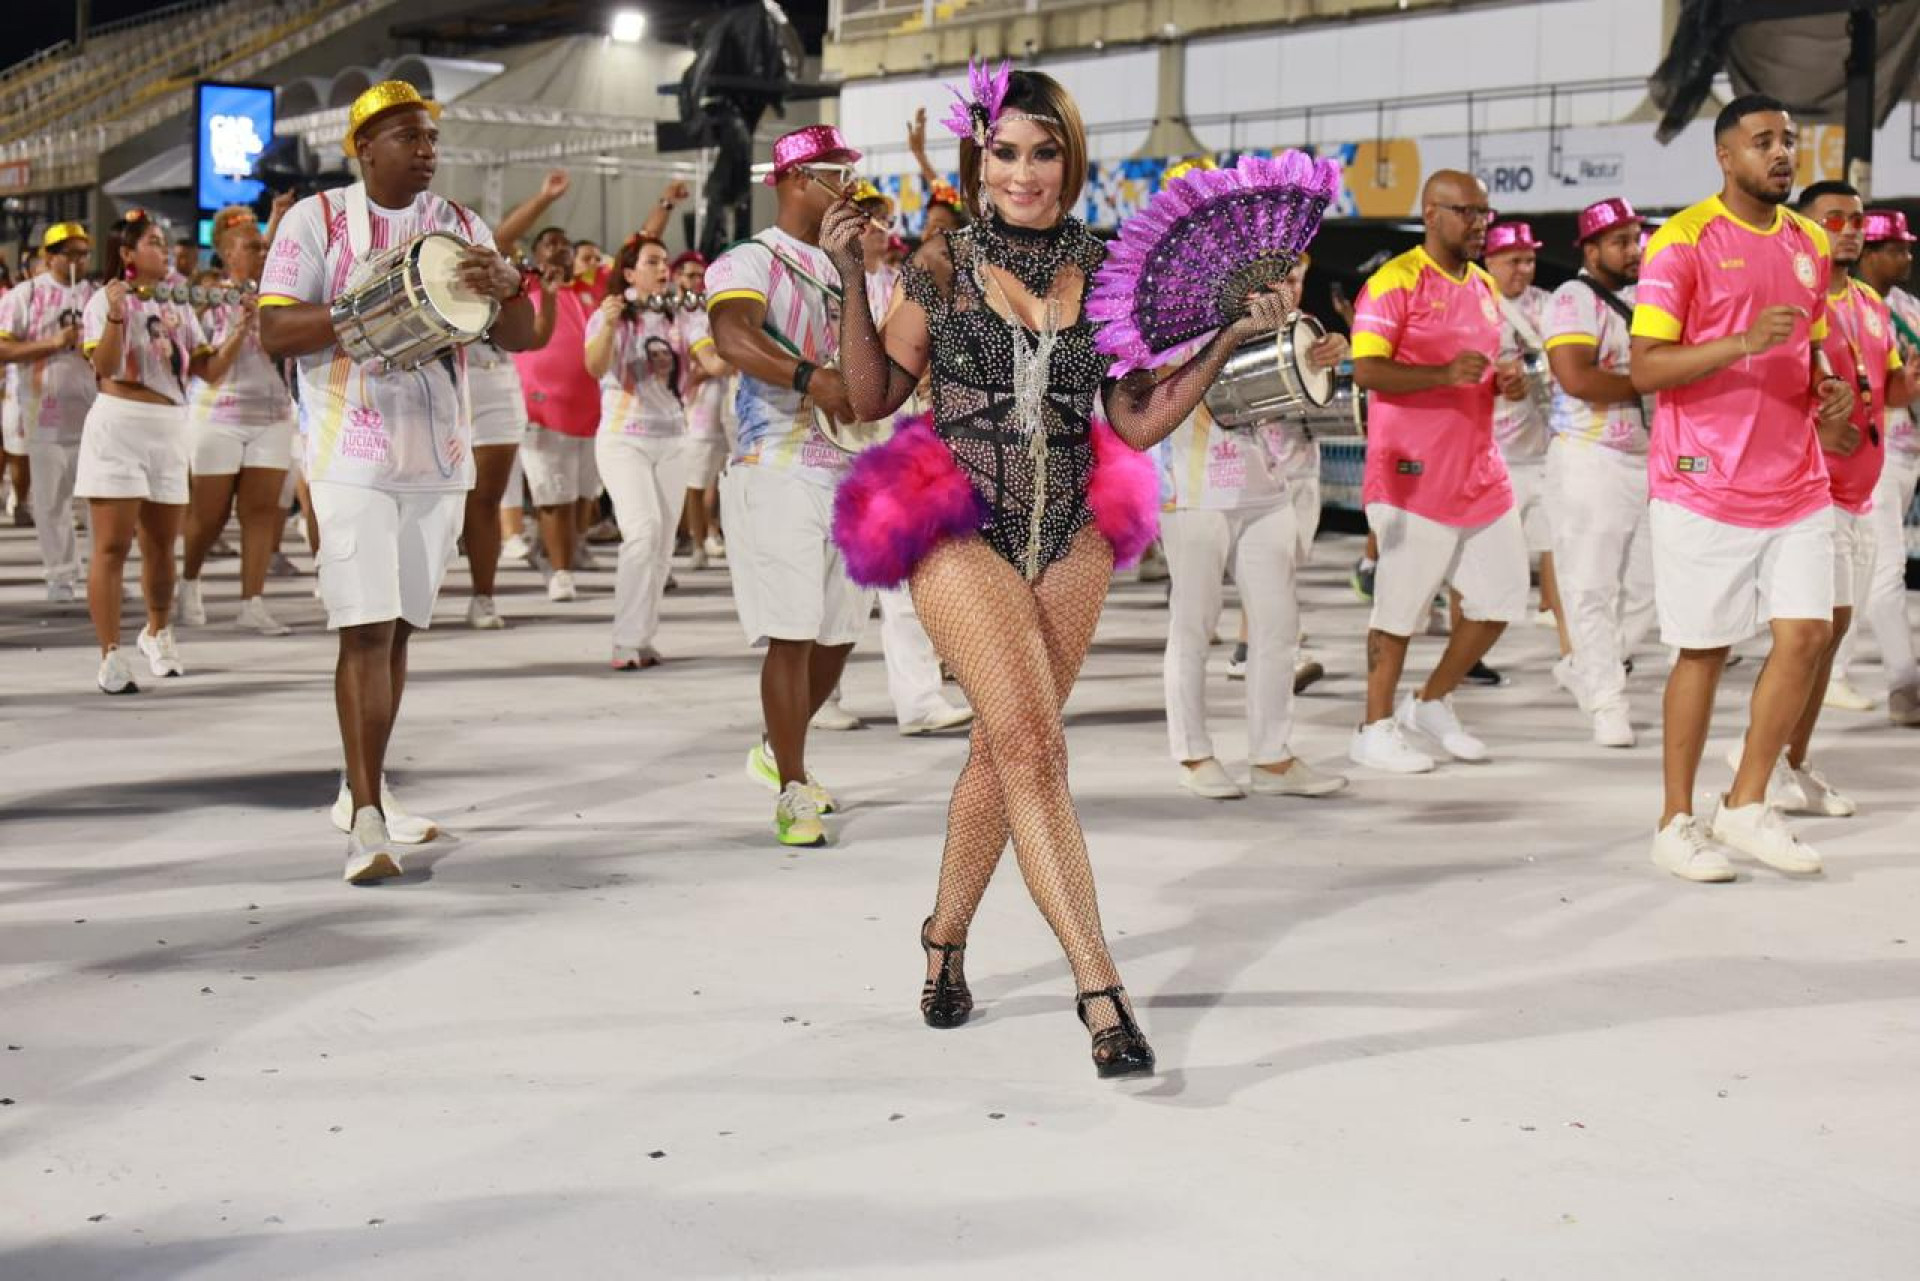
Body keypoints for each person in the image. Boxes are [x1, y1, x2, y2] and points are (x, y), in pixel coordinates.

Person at [827, 66, 1300, 1079]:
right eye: (1006, 152)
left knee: (1007, 754)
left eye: (1045, 153)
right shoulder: (939, 265)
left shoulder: (1110, 265)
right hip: (958, 520)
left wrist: (1223, 338)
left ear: (1070, 160)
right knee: (1036, 747)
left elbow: (1130, 419)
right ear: (978, 157)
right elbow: (870, 397)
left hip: (1075, 529)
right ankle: (1102, 991)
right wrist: (845, 292)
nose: (1025, 172)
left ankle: (943, 937)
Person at [258, 81, 539, 883]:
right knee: (366, 629)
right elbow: (274, 326)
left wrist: (508, 285)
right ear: (365, 147)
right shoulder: (317, 220)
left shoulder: (458, 225)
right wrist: (369, 308)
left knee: (402, 629)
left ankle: (365, 786)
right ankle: (368, 817)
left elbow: (518, 336)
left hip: (439, 457)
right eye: (409, 138)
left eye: (431, 140)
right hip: (351, 454)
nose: (426, 152)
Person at [1628, 93, 1853, 882]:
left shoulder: (1809, 243)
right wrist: (1738, 343)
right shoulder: (1681, 243)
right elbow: (1645, 367)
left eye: (1787, 141)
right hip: (1703, 482)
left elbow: (1810, 351)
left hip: (1794, 477)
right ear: (1726, 157)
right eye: (1763, 142)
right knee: (1705, 649)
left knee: (1807, 634)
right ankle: (1675, 821)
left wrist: (1821, 386)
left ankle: (1747, 804)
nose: (1782, 153)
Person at [705, 125, 876, 848]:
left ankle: (778, 747)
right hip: (776, 462)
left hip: (851, 466)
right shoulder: (751, 259)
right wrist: (814, 378)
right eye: (840, 175)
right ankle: (793, 789)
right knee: (795, 630)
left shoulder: (856, 265)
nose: (853, 189)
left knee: (841, 630)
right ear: (799, 179)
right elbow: (733, 336)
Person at [1346, 170, 1530, 774]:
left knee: (1502, 598)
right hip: (1411, 474)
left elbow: (1488, 366)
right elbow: (1368, 371)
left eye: (1485, 213)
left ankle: (1430, 701)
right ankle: (1373, 728)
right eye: (1467, 212)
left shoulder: (1482, 286)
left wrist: (1505, 380)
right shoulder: (1393, 282)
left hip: (1479, 470)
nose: (1480, 224)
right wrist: (1442, 374)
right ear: (1431, 212)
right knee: (1399, 609)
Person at [1765, 180, 1909, 813]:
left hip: (1862, 492)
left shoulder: (1873, 304)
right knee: (1801, 640)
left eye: (1856, 218)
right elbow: (1760, 396)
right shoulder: (1789, 303)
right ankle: (1760, 767)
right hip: (1806, 492)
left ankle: (1795, 761)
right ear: (1803, 228)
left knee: (1832, 638)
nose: (1849, 228)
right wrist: (1817, 426)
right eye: (1833, 218)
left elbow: (1892, 388)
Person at [77, 213, 227, 692]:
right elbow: (102, 365)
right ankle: (109, 654)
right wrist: (119, 315)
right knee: (112, 546)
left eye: (164, 244)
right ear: (127, 255)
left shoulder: (177, 305)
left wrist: (241, 329)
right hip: (119, 423)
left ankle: (159, 631)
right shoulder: (103, 300)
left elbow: (210, 370)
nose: (165, 252)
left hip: (170, 426)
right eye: (155, 244)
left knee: (163, 546)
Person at [1543, 197, 1657, 747]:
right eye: (1619, 241)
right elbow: (1577, 377)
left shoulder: (1646, 297)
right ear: (1591, 249)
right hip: (1590, 460)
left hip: (1647, 458)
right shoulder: (1572, 298)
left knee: (1651, 590)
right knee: (1590, 587)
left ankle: (1587, 667)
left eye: (1635, 238)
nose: (1633, 250)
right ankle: (1608, 700)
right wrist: (1657, 379)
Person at [586, 233, 727, 668]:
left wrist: (727, 325)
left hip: (673, 439)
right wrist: (609, 324)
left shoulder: (682, 316)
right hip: (622, 438)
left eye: (664, 261)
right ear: (629, 273)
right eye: (653, 262)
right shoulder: (611, 314)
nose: (662, 268)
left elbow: (716, 362)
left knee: (664, 543)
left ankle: (643, 637)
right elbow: (593, 367)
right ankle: (624, 641)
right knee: (643, 530)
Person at [178, 205, 298, 636]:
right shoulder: (207, 297)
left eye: (265, 246)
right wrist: (240, 328)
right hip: (219, 414)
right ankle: (189, 581)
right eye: (252, 247)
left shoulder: (280, 297)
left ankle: (253, 602)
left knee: (261, 512)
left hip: (272, 415)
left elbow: (290, 353)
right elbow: (208, 371)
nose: (263, 253)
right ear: (228, 254)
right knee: (209, 516)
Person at [1838, 208, 1920, 725]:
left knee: (1868, 570)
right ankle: (1904, 684)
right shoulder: (1851, 307)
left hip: (1909, 447)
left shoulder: (1908, 306)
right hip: (1875, 448)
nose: (1906, 257)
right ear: (1868, 254)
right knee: (1887, 568)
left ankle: (1832, 671)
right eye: (1896, 249)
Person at [0, 222, 96, 601]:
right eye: (68, 253)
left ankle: (102, 571)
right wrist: (53, 343)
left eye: (82, 253)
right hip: (44, 412)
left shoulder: (96, 295)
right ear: (48, 256)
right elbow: (4, 349)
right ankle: (60, 574)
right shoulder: (26, 296)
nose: (77, 260)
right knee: (52, 499)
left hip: (92, 411)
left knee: (99, 500)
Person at [1484, 220, 1566, 654]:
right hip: (1494, 449)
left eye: (1530, 259)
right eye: (1513, 260)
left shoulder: (1551, 305)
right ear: (1489, 261)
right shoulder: (1477, 305)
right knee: (1489, 544)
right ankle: (1480, 615)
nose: (1523, 268)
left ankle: (1552, 609)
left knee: (1555, 536)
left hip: (1546, 444)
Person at [671, 250, 729, 569]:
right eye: (690, 275)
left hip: (725, 404)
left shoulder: (714, 311)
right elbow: (692, 368)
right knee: (695, 478)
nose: (696, 281)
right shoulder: (675, 314)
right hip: (695, 407)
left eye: (700, 275)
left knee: (719, 476)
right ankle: (695, 541)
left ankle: (711, 531)